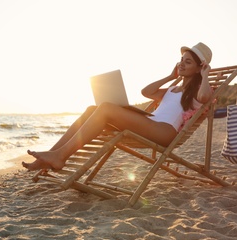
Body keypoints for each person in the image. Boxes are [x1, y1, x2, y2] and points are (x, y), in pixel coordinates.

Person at [22, 42, 212, 171]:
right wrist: (171, 77)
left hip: (164, 132)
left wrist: (205, 75)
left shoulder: (197, 90)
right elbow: (146, 92)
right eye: (181, 60)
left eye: (188, 62)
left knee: (105, 108)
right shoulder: (172, 89)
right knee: (91, 109)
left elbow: (205, 97)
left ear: (199, 67)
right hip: (150, 123)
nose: (182, 64)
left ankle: (59, 157)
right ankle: (48, 157)